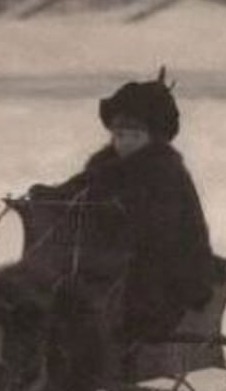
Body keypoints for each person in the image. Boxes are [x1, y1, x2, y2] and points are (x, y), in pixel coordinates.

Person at [28, 69, 215, 344]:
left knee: (116, 296)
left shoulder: (165, 173)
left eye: (134, 136)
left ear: (153, 138)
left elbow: (164, 232)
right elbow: (77, 189)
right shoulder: (105, 166)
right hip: (111, 268)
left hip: (162, 278)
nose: (124, 143)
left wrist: (120, 213)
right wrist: (50, 195)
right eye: (119, 135)